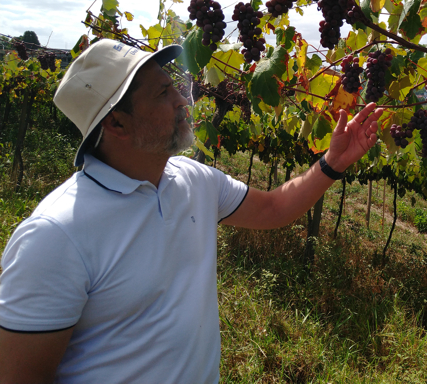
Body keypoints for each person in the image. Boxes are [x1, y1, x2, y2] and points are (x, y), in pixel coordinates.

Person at [0, 40, 383, 384]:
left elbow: (273, 208)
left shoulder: (193, 179)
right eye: (163, 93)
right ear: (116, 123)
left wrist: (332, 163)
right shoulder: (54, 236)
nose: (182, 100)